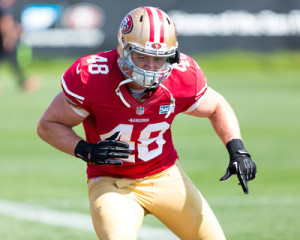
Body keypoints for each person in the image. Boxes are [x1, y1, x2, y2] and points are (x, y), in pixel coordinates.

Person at [37, 6, 257, 240]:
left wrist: (238, 150)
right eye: (141, 56)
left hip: (165, 175)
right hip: (112, 183)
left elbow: (216, 106)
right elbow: (48, 125)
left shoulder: (181, 74)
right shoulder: (92, 76)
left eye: (159, 58)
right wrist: (86, 150)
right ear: (123, 48)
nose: (150, 66)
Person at [0, 0, 39, 92]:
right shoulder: (4, 7)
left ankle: (23, 82)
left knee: (14, 63)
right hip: (5, 40)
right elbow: (5, 22)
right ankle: (24, 82)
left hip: (5, 39)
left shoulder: (7, 7)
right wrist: (8, 36)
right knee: (14, 62)